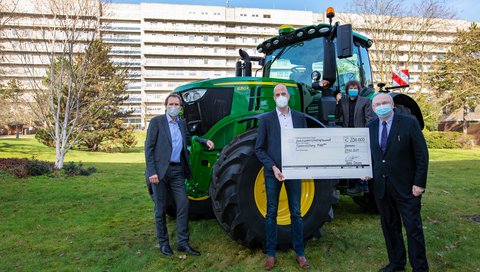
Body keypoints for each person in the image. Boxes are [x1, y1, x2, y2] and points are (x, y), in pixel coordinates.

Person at [363, 93, 429, 272]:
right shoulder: (370, 128)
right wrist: (365, 172)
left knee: (413, 229)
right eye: (377, 104)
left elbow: (421, 155)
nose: (381, 106)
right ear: (373, 108)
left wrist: (419, 183)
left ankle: (420, 267)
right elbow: (370, 156)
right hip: (382, 188)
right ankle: (396, 263)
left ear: (392, 105)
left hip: (407, 187)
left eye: (385, 102)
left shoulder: (409, 123)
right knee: (390, 228)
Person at [145, 94, 214, 257]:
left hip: (176, 171)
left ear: (180, 108)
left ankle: (183, 243)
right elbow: (149, 148)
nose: (174, 106)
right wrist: (152, 171)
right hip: (160, 172)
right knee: (160, 208)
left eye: (177, 104)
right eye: (171, 104)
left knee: (183, 204)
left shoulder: (181, 124)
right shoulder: (157, 122)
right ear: (166, 106)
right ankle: (164, 243)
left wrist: (204, 141)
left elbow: (189, 139)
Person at [255, 84, 310, 270]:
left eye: (283, 93)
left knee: (296, 212)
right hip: (274, 173)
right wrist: (273, 167)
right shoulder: (267, 120)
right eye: (277, 94)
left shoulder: (300, 118)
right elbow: (259, 149)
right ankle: (271, 254)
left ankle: (300, 253)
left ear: (289, 96)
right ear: (273, 98)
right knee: (271, 213)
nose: (280, 96)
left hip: (294, 172)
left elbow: (306, 144)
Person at [336, 80, 375, 195]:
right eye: (351, 88)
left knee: (359, 159)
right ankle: (355, 184)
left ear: (358, 89)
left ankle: (363, 186)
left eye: (355, 88)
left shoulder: (365, 101)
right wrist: (337, 102)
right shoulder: (343, 101)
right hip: (347, 134)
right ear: (347, 90)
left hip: (360, 134)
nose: (353, 90)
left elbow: (369, 118)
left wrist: (367, 134)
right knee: (350, 159)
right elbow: (337, 115)